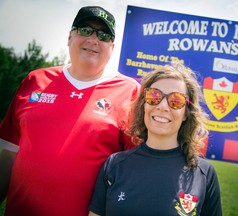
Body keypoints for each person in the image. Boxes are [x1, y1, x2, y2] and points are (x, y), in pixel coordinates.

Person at [0, 6, 140, 216]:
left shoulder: (130, 92)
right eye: (85, 30)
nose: (93, 39)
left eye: (103, 35)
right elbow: (8, 154)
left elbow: (132, 173)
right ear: (70, 36)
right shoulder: (34, 80)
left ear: (112, 46)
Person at [88, 62, 222, 216]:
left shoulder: (204, 173)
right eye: (154, 96)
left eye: (176, 100)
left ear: (186, 113)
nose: (163, 106)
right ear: (144, 104)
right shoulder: (114, 165)